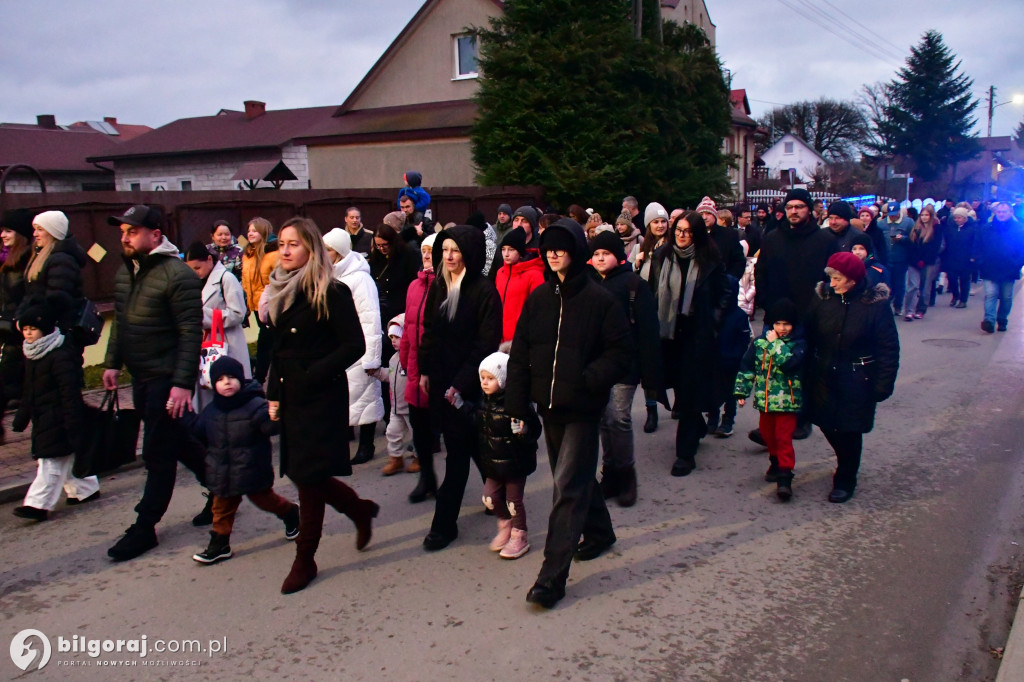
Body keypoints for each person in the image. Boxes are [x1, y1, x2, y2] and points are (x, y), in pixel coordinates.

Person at [507, 218, 631, 609]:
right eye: (549, 247)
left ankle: (551, 576)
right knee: (573, 476)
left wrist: (589, 380)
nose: (555, 252)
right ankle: (599, 533)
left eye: (562, 246)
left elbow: (621, 352)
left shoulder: (600, 301)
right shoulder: (539, 299)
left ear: (576, 251)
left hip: (581, 408)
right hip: (549, 406)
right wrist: (517, 402)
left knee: (567, 487)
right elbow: (521, 353)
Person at [264, 217, 378, 594]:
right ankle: (358, 509)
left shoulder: (331, 290)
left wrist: (313, 373)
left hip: (320, 395)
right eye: (281, 243)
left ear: (311, 249)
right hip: (292, 394)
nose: (285, 250)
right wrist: (274, 392)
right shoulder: (280, 289)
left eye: (293, 243)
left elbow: (354, 346)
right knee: (302, 473)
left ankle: (305, 559)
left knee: (307, 478)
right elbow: (279, 350)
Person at [103, 205, 206, 561]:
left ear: (155, 235)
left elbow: (191, 333)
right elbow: (121, 321)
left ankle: (144, 526)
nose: (125, 238)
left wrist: (181, 384)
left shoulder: (178, 275)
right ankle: (224, 490)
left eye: (132, 231)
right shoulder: (127, 271)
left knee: (157, 452)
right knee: (180, 443)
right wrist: (113, 362)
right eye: (123, 232)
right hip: (142, 375)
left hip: (166, 377)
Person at [419, 225, 502, 551]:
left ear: (469, 252)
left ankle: (444, 525)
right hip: (442, 382)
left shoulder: (484, 291)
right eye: (445, 250)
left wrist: (460, 384)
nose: (449, 256)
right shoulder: (440, 285)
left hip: (470, 386)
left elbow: (486, 343)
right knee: (474, 447)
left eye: (455, 250)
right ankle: (497, 492)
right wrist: (425, 371)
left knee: (456, 456)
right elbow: (429, 330)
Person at [184, 356, 299, 564]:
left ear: (240, 379)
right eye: (220, 379)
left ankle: (291, 514)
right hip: (223, 473)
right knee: (220, 509)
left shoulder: (254, 405)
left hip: (251, 470)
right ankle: (220, 544)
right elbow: (200, 432)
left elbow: (270, 427)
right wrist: (184, 415)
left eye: (231, 377)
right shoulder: (212, 410)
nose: (226, 382)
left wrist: (277, 415)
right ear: (213, 384)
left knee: (266, 501)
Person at [805, 252, 899, 503]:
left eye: (837, 278)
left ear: (853, 280)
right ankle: (844, 460)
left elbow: (888, 347)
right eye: (830, 278)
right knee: (825, 422)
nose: (832, 283)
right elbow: (809, 332)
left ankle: (846, 477)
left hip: (857, 378)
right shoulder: (823, 298)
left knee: (849, 429)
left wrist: (883, 384)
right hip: (823, 373)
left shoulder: (875, 306)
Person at [649, 211, 732, 477]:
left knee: (689, 388)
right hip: (668, 334)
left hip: (697, 334)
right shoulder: (662, 256)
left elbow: (725, 293)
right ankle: (695, 423)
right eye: (679, 230)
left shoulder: (709, 258)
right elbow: (651, 290)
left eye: (688, 231)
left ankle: (685, 454)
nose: (682, 236)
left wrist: (714, 321)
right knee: (678, 390)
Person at [751, 188, 837, 445]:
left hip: (810, 316)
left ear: (809, 209)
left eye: (799, 206)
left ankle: (801, 419)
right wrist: (767, 303)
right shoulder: (773, 238)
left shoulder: (824, 241)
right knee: (773, 369)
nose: (794, 211)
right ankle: (772, 426)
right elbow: (761, 272)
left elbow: (830, 278)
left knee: (804, 369)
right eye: (790, 207)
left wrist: (822, 308)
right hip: (777, 316)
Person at [589, 231, 663, 507]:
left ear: (617, 256)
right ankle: (609, 473)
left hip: (625, 364)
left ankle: (626, 474)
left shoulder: (633, 284)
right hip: (596, 365)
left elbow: (648, 329)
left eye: (605, 253)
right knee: (603, 420)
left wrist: (650, 370)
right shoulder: (587, 283)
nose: (600, 258)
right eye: (596, 254)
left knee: (618, 417)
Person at [11, 298, 99, 521]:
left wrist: (72, 420)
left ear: (46, 329)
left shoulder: (59, 355)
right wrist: (22, 417)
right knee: (64, 457)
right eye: (25, 329)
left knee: (50, 461)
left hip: (58, 416)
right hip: (44, 415)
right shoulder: (32, 353)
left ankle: (37, 505)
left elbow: (69, 391)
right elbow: (29, 390)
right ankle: (86, 488)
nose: (28, 334)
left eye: (33, 329)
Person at [323, 228, 385, 465]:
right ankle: (344, 441)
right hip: (337, 347)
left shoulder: (360, 279)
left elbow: (370, 318)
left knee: (366, 396)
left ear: (338, 252)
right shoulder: (329, 276)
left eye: (327, 250)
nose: (324, 254)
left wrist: (371, 357)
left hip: (359, 347)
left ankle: (366, 444)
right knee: (344, 398)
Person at [734, 298, 806, 501]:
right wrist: (741, 392)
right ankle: (775, 462)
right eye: (778, 324)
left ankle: (785, 477)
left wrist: (775, 344)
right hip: (765, 402)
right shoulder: (758, 344)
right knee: (768, 434)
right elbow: (747, 368)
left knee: (784, 439)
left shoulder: (798, 345)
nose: (782, 329)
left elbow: (790, 364)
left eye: (786, 324)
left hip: (787, 403)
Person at [476, 351, 540, 559]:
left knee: (514, 502)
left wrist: (524, 430)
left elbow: (535, 428)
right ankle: (505, 525)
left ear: (503, 381)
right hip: (493, 463)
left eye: (490, 379)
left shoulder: (517, 403)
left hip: (515, 463)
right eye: (483, 378)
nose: (485, 383)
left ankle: (519, 535)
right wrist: (460, 407)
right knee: (489, 498)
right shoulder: (484, 401)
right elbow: (477, 423)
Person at [183, 242, 250, 412]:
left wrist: (204, 315)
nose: (195, 273)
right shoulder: (194, 282)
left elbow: (238, 313)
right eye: (191, 270)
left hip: (227, 344)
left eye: (197, 268)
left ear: (209, 260)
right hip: (206, 346)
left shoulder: (226, 278)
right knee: (208, 389)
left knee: (228, 389)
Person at [401, 233, 440, 503]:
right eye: (424, 251)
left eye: (432, 251)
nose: (426, 255)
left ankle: (491, 487)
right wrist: (405, 359)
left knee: (461, 435)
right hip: (416, 371)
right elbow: (408, 328)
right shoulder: (414, 286)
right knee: (420, 431)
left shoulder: (447, 286)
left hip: (438, 372)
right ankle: (426, 478)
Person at [24, 211, 87, 356]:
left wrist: (35, 320)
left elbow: (57, 299)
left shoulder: (61, 260)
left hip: (59, 334)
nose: (35, 234)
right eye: (35, 229)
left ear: (53, 232)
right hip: (46, 330)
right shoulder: (42, 256)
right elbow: (30, 293)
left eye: (40, 229)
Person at [0, 209, 33, 436]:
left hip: (22, 333)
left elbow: (26, 299)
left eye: (8, 230)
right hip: (9, 333)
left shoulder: (27, 262)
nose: (2, 234)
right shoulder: (5, 259)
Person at [377, 314, 420, 476]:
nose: (393, 341)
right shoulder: (394, 359)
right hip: (396, 407)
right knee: (392, 432)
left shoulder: (412, 358)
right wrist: (377, 373)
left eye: (397, 337)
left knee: (416, 433)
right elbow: (390, 375)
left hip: (410, 405)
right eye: (391, 337)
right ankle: (396, 458)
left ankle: (419, 456)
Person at [973, 201, 1024, 333]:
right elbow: (978, 245)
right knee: (991, 294)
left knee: (1006, 297)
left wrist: (1017, 264)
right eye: (999, 212)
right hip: (989, 267)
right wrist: (980, 261)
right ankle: (989, 320)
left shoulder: (1019, 229)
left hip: (1009, 268)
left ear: (1010, 213)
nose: (1001, 214)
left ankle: (1002, 320)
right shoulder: (986, 228)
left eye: (1004, 211)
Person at [241, 217, 278, 384]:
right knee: (267, 341)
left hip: (270, 304)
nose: (250, 233)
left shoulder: (272, 254)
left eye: (254, 230)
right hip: (255, 305)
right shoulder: (248, 253)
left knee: (265, 342)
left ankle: (259, 378)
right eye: (249, 230)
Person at [494, 228, 545, 343]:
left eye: (511, 250)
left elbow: (538, 310)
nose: (506, 254)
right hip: (499, 336)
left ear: (520, 252)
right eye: (503, 249)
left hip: (521, 338)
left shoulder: (534, 275)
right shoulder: (500, 273)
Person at [697, 196, 745, 279]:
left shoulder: (729, 234)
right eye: (701, 214)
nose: (704, 217)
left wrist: (730, 279)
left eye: (708, 213)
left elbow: (739, 261)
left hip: (722, 284)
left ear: (715, 215)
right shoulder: (694, 235)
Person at [883, 202, 915, 316]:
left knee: (899, 284)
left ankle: (898, 306)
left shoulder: (908, 222)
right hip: (887, 258)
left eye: (894, 214)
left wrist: (903, 239)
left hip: (901, 258)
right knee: (887, 283)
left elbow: (913, 238)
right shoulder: (882, 223)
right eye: (890, 214)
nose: (892, 217)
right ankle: (887, 305)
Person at [943, 206, 976, 308]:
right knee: (951, 278)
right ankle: (955, 296)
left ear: (965, 218)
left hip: (966, 258)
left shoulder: (972, 228)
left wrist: (973, 256)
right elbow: (946, 241)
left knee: (964, 279)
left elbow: (975, 242)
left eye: (959, 218)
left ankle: (963, 300)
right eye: (955, 218)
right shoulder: (951, 227)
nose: (957, 220)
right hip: (952, 257)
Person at [632, 202, 670, 281]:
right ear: (649, 225)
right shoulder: (639, 248)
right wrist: (635, 265)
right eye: (656, 222)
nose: (660, 225)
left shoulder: (673, 246)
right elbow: (626, 272)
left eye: (663, 221)